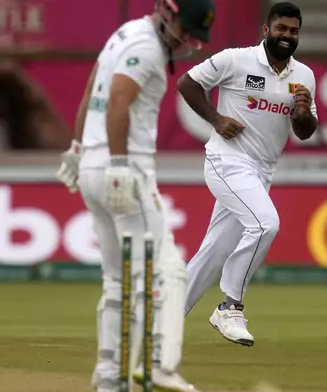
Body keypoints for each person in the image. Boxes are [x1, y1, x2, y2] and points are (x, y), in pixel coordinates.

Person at [55, 0, 215, 391]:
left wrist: (78, 149)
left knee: (117, 281)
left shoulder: (124, 34)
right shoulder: (145, 47)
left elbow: (94, 86)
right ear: (167, 11)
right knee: (169, 270)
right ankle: (161, 362)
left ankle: (109, 378)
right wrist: (121, 164)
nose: (189, 41)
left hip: (95, 166)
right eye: (186, 29)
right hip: (124, 170)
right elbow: (117, 101)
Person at [177, 2, 318, 347]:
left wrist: (301, 111)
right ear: (266, 30)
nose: (287, 36)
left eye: (294, 31)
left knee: (215, 252)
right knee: (265, 223)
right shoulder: (236, 59)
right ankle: (230, 307)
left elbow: (305, 131)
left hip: (261, 172)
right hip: (226, 161)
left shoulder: (304, 76)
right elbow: (187, 83)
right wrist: (216, 119)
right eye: (281, 29)